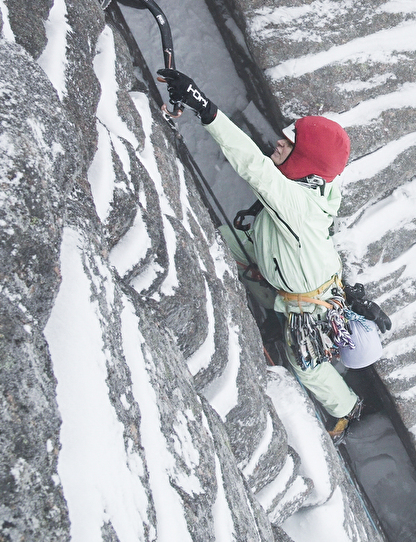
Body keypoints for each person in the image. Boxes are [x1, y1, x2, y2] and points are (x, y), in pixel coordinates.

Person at [158, 68, 391, 442]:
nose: (277, 144)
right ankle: (265, 304)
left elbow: (254, 167)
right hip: (296, 269)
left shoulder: (297, 202)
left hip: (308, 302)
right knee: (220, 240)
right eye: (283, 139)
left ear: (306, 163)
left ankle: (347, 407)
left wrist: (203, 107)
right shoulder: (316, 186)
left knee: (307, 365)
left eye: (288, 145)